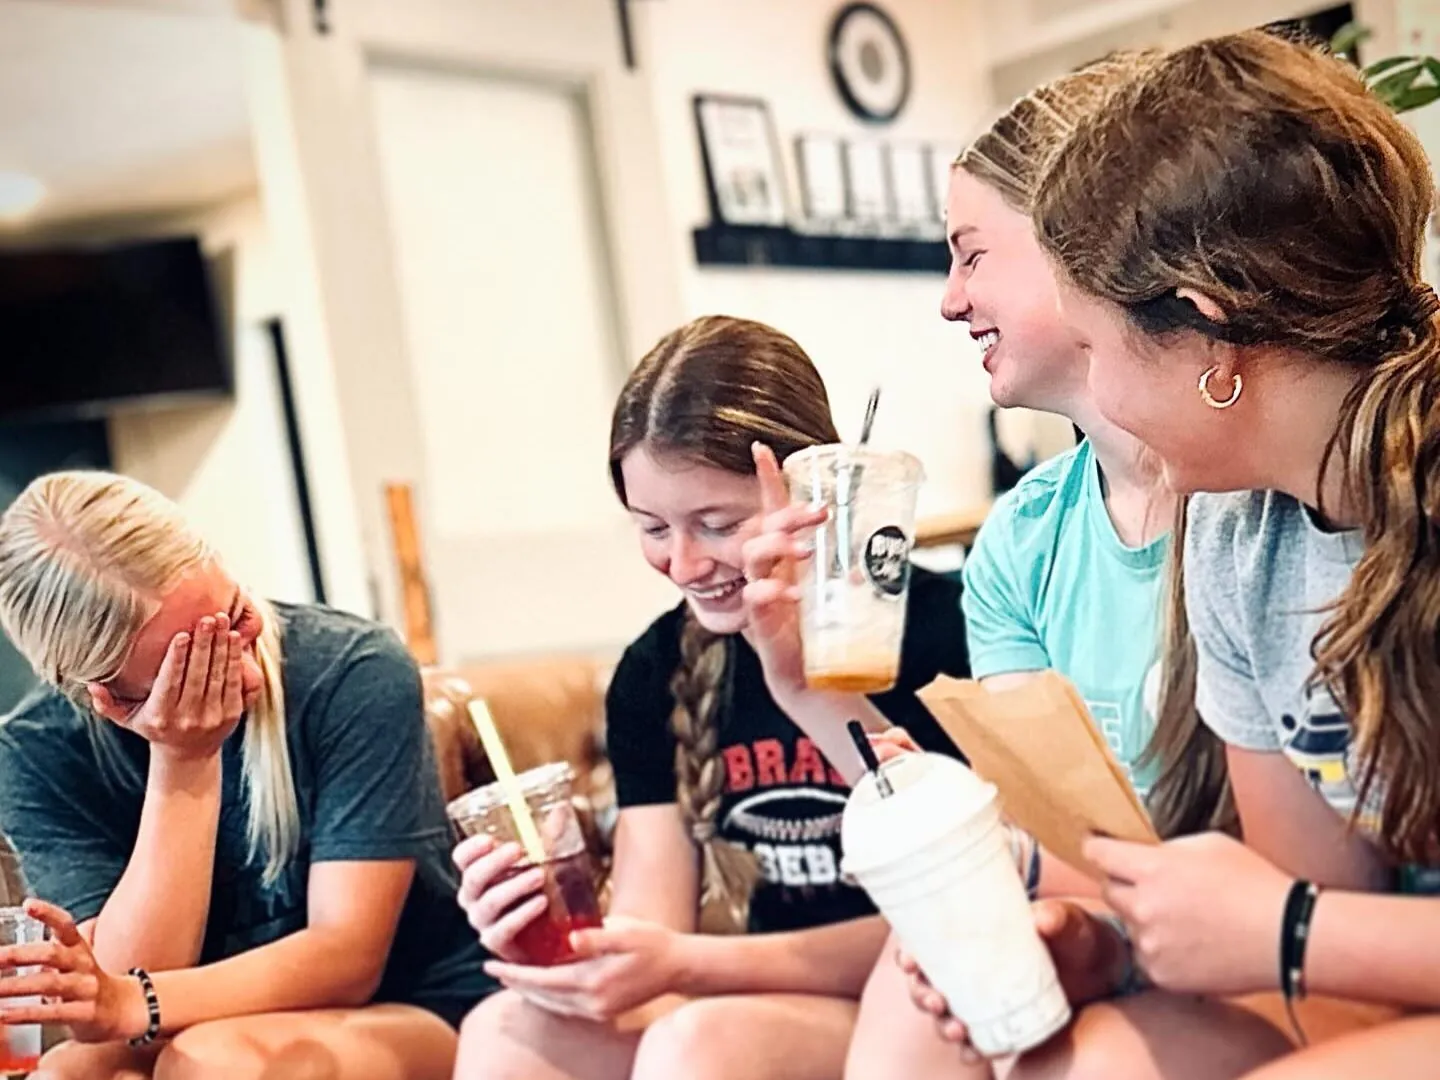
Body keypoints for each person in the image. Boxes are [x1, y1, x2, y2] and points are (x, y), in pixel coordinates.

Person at [729, 54, 1244, 1080]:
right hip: (1103, 922)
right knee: (923, 975)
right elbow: (1027, 830)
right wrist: (802, 683)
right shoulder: (1023, 539)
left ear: (1086, 238)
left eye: (971, 255)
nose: (949, 300)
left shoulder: (1255, 502)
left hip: (1241, 934)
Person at [1022, 27, 1440, 1077]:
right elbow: (1324, 913)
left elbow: (1301, 928)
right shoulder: (1236, 535)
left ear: (1210, 335)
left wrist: (1287, 931)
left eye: (1093, 348)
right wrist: (1106, 948)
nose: (1096, 396)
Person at [450, 314, 972, 1080]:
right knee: (503, 1031)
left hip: (923, 1002)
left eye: (717, 523)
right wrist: (548, 930)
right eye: (654, 527)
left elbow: (972, 910)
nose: (686, 564)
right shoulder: (656, 670)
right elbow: (648, 931)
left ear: (812, 488)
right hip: (756, 991)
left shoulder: (940, 632)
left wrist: (685, 965)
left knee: (694, 1045)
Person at [0, 472, 491, 1079]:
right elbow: (118, 1012)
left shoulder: (352, 669)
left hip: (410, 1003)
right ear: (109, 699)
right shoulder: (37, 748)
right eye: (193, 670)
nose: (244, 669)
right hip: (183, 1026)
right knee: (68, 1076)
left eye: (236, 619)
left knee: (211, 1064)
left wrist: (136, 1001)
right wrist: (183, 760)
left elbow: (347, 959)